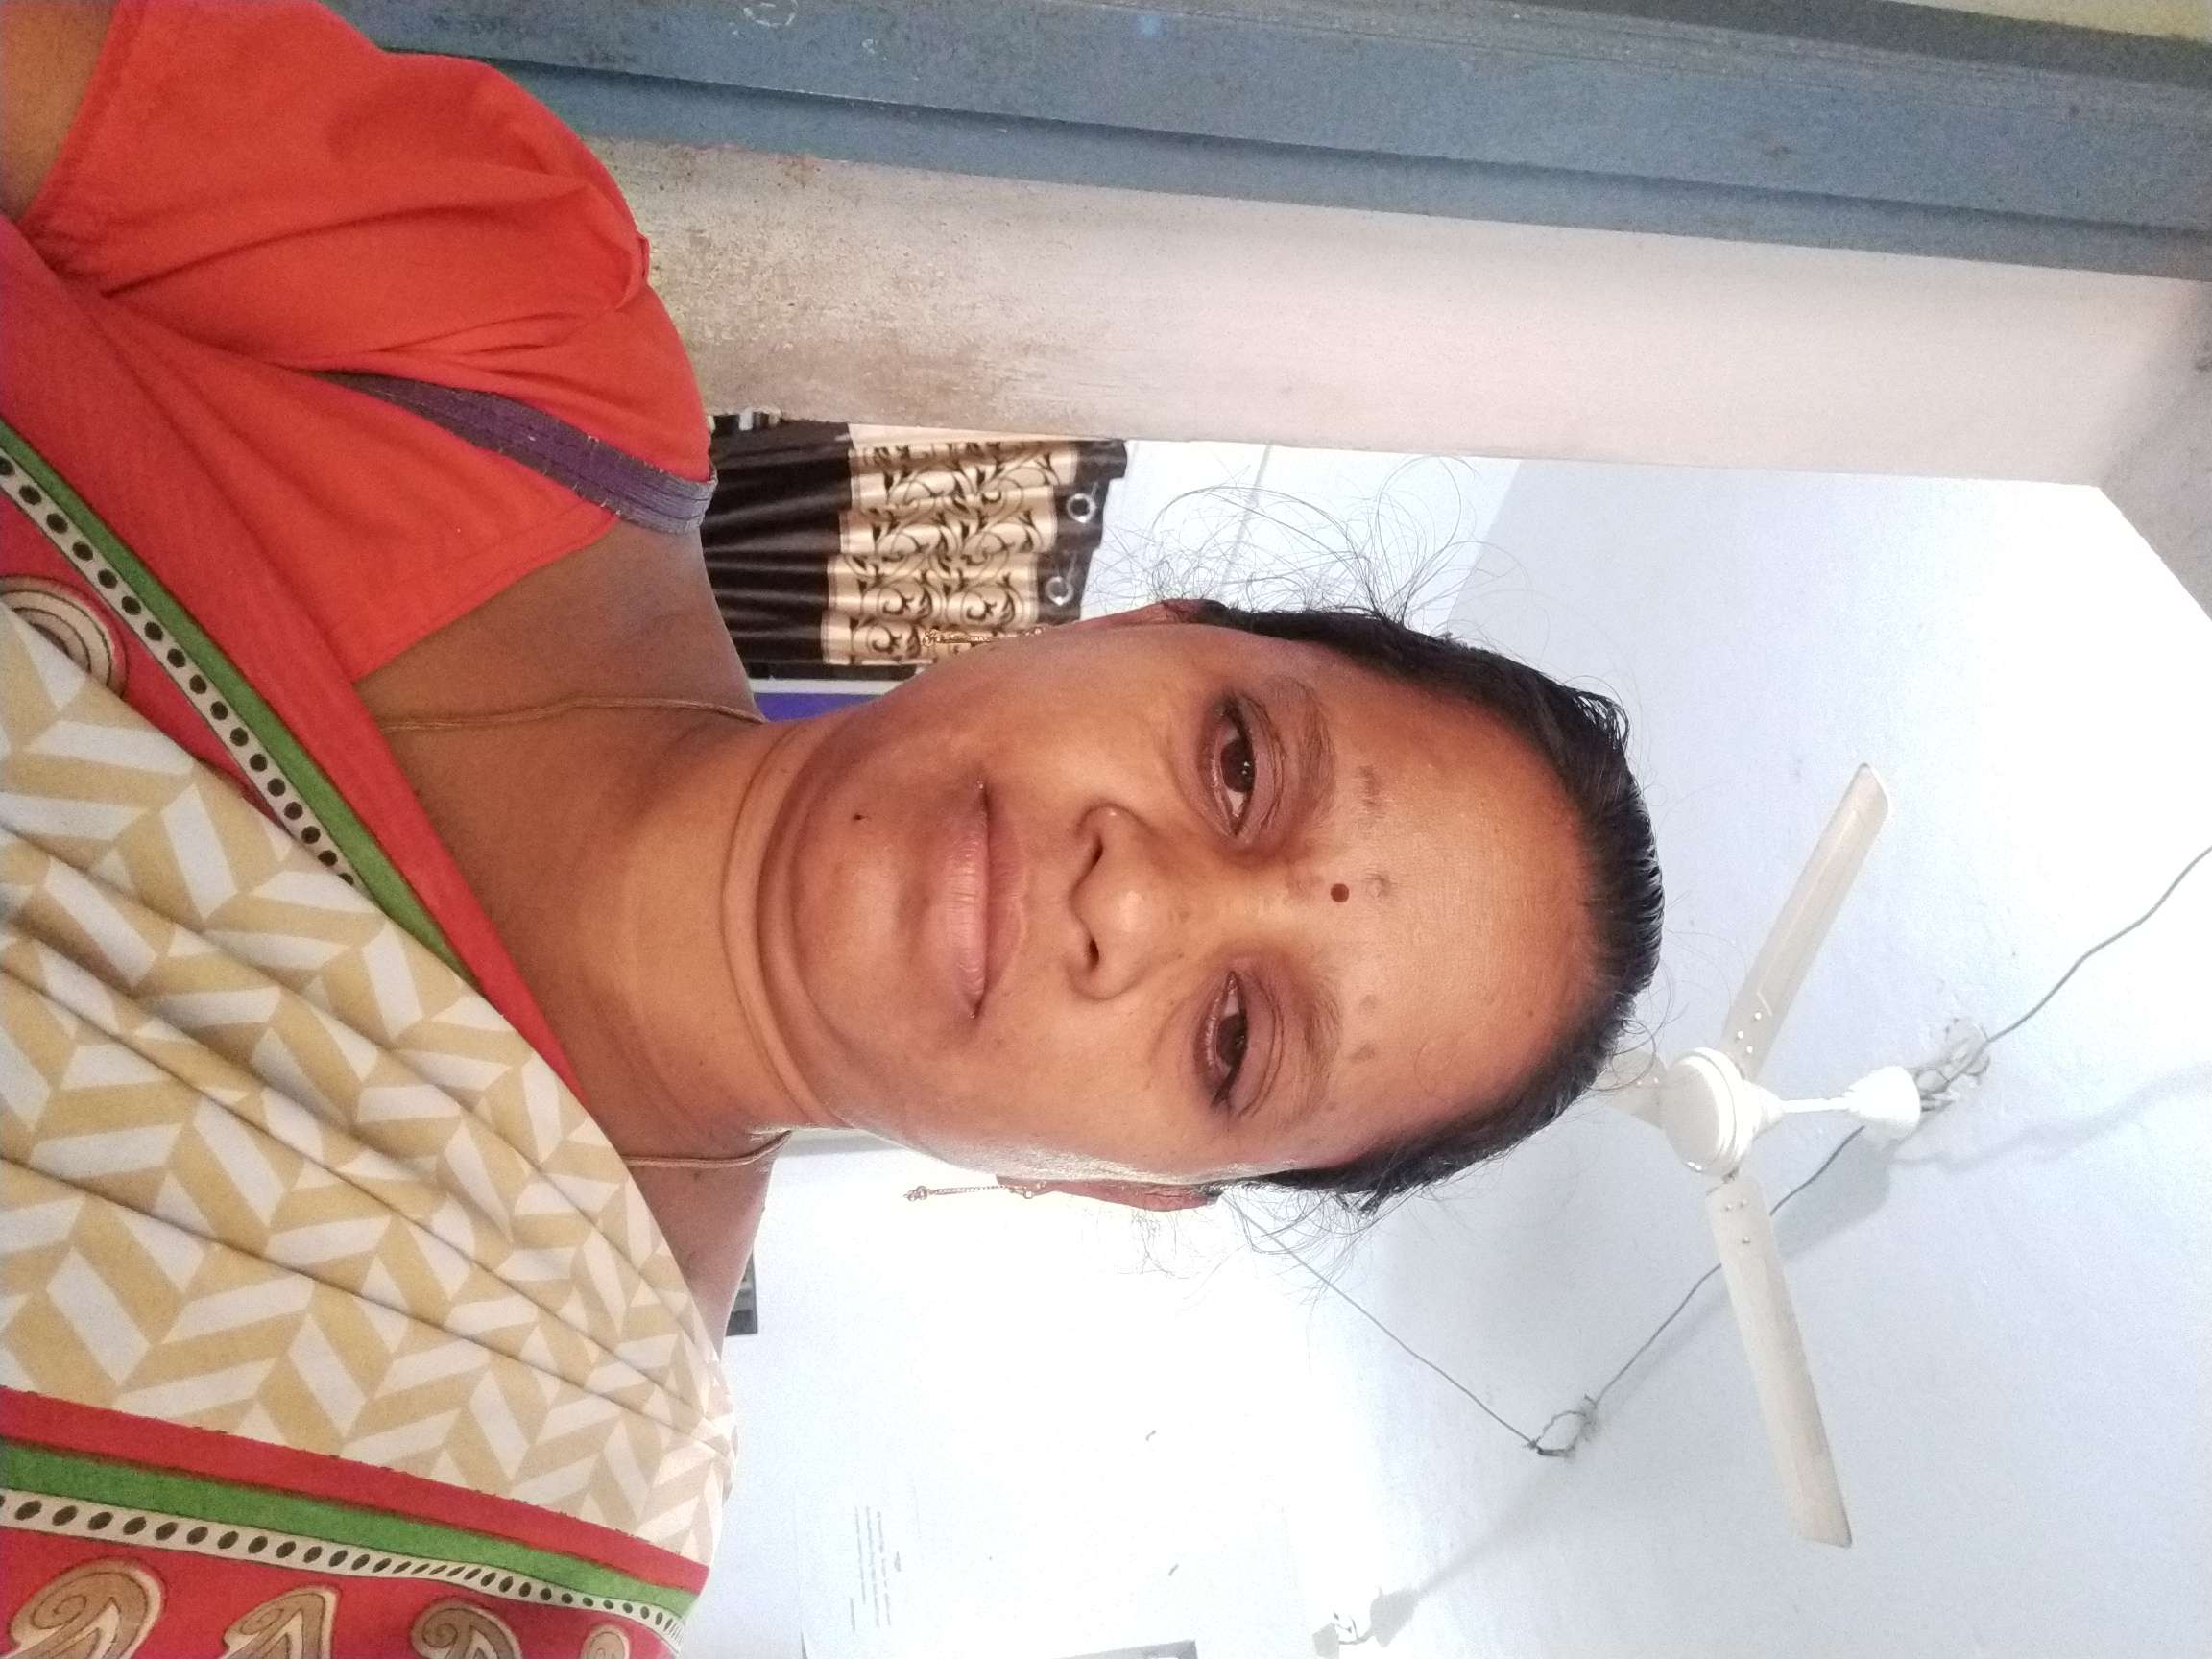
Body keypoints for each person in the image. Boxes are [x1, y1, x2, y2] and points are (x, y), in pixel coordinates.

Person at [0, 3, 1662, 1653]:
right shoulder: (507, 325)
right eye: (1239, 766)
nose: (1139, 904)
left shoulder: (515, 1540)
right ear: (1139, 628)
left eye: (1235, 1037)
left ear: (1118, 1185)